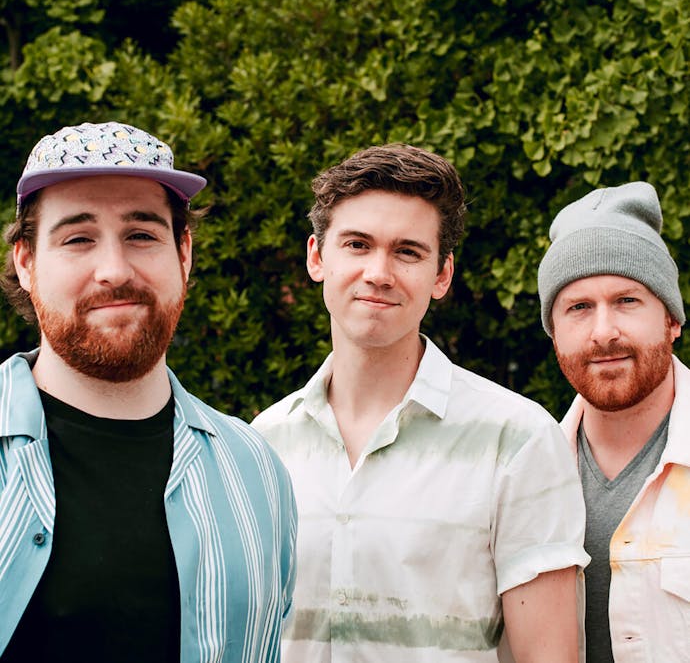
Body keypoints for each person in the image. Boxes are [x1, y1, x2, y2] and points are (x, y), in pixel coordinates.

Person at [252, 143, 589, 663]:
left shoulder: (518, 439)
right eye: (357, 245)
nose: (379, 272)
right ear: (317, 257)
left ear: (442, 275)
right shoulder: (263, 444)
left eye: (407, 252)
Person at [0, 121, 296, 663]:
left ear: (184, 253)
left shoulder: (257, 470)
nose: (114, 271)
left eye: (141, 235)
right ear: (26, 262)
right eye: (78, 238)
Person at [537, 181, 690, 662]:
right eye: (579, 308)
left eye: (627, 300)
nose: (604, 333)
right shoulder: (523, 472)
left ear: (672, 320)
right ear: (554, 333)